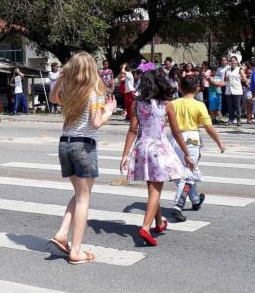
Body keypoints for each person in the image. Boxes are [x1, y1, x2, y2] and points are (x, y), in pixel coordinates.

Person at [49, 52, 116, 264]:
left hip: (65, 144)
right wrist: (110, 111)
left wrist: (61, 77)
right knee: (84, 199)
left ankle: (61, 234)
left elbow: (52, 97)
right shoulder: (95, 91)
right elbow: (96, 123)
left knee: (79, 194)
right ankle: (76, 251)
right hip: (84, 146)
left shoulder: (69, 90)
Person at [120, 69, 192, 245]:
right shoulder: (167, 105)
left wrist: (125, 154)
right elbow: (175, 132)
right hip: (159, 149)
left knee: (152, 189)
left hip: (142, 148)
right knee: (155, 191)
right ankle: (145, 228)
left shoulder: (136, 104)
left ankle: (159, 222)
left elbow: (132, 130)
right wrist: (187, 154)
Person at [167, 75, 226, 222]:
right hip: (192, 139)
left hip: (175, 139)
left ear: (180, 88)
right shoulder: (199, 105)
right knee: (187, 175)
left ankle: (195, 200)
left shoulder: (172, 104)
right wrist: (219, 142)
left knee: (186, 172)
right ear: (198, 88)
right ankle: (177, 206)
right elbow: (209, 127)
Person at [223, 56, 245, 126]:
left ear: (236, 62)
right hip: (229, 90)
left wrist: (238, 80)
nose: (232, 62)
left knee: (237, 106)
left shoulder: (239, 69)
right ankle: (230, 119)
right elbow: (224, 80)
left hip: (237, 90)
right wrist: (227, 78)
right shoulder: (227, 69)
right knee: (230, 106)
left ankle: (238, 120)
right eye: (231, 61)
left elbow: (244, 78)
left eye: (234, 61)